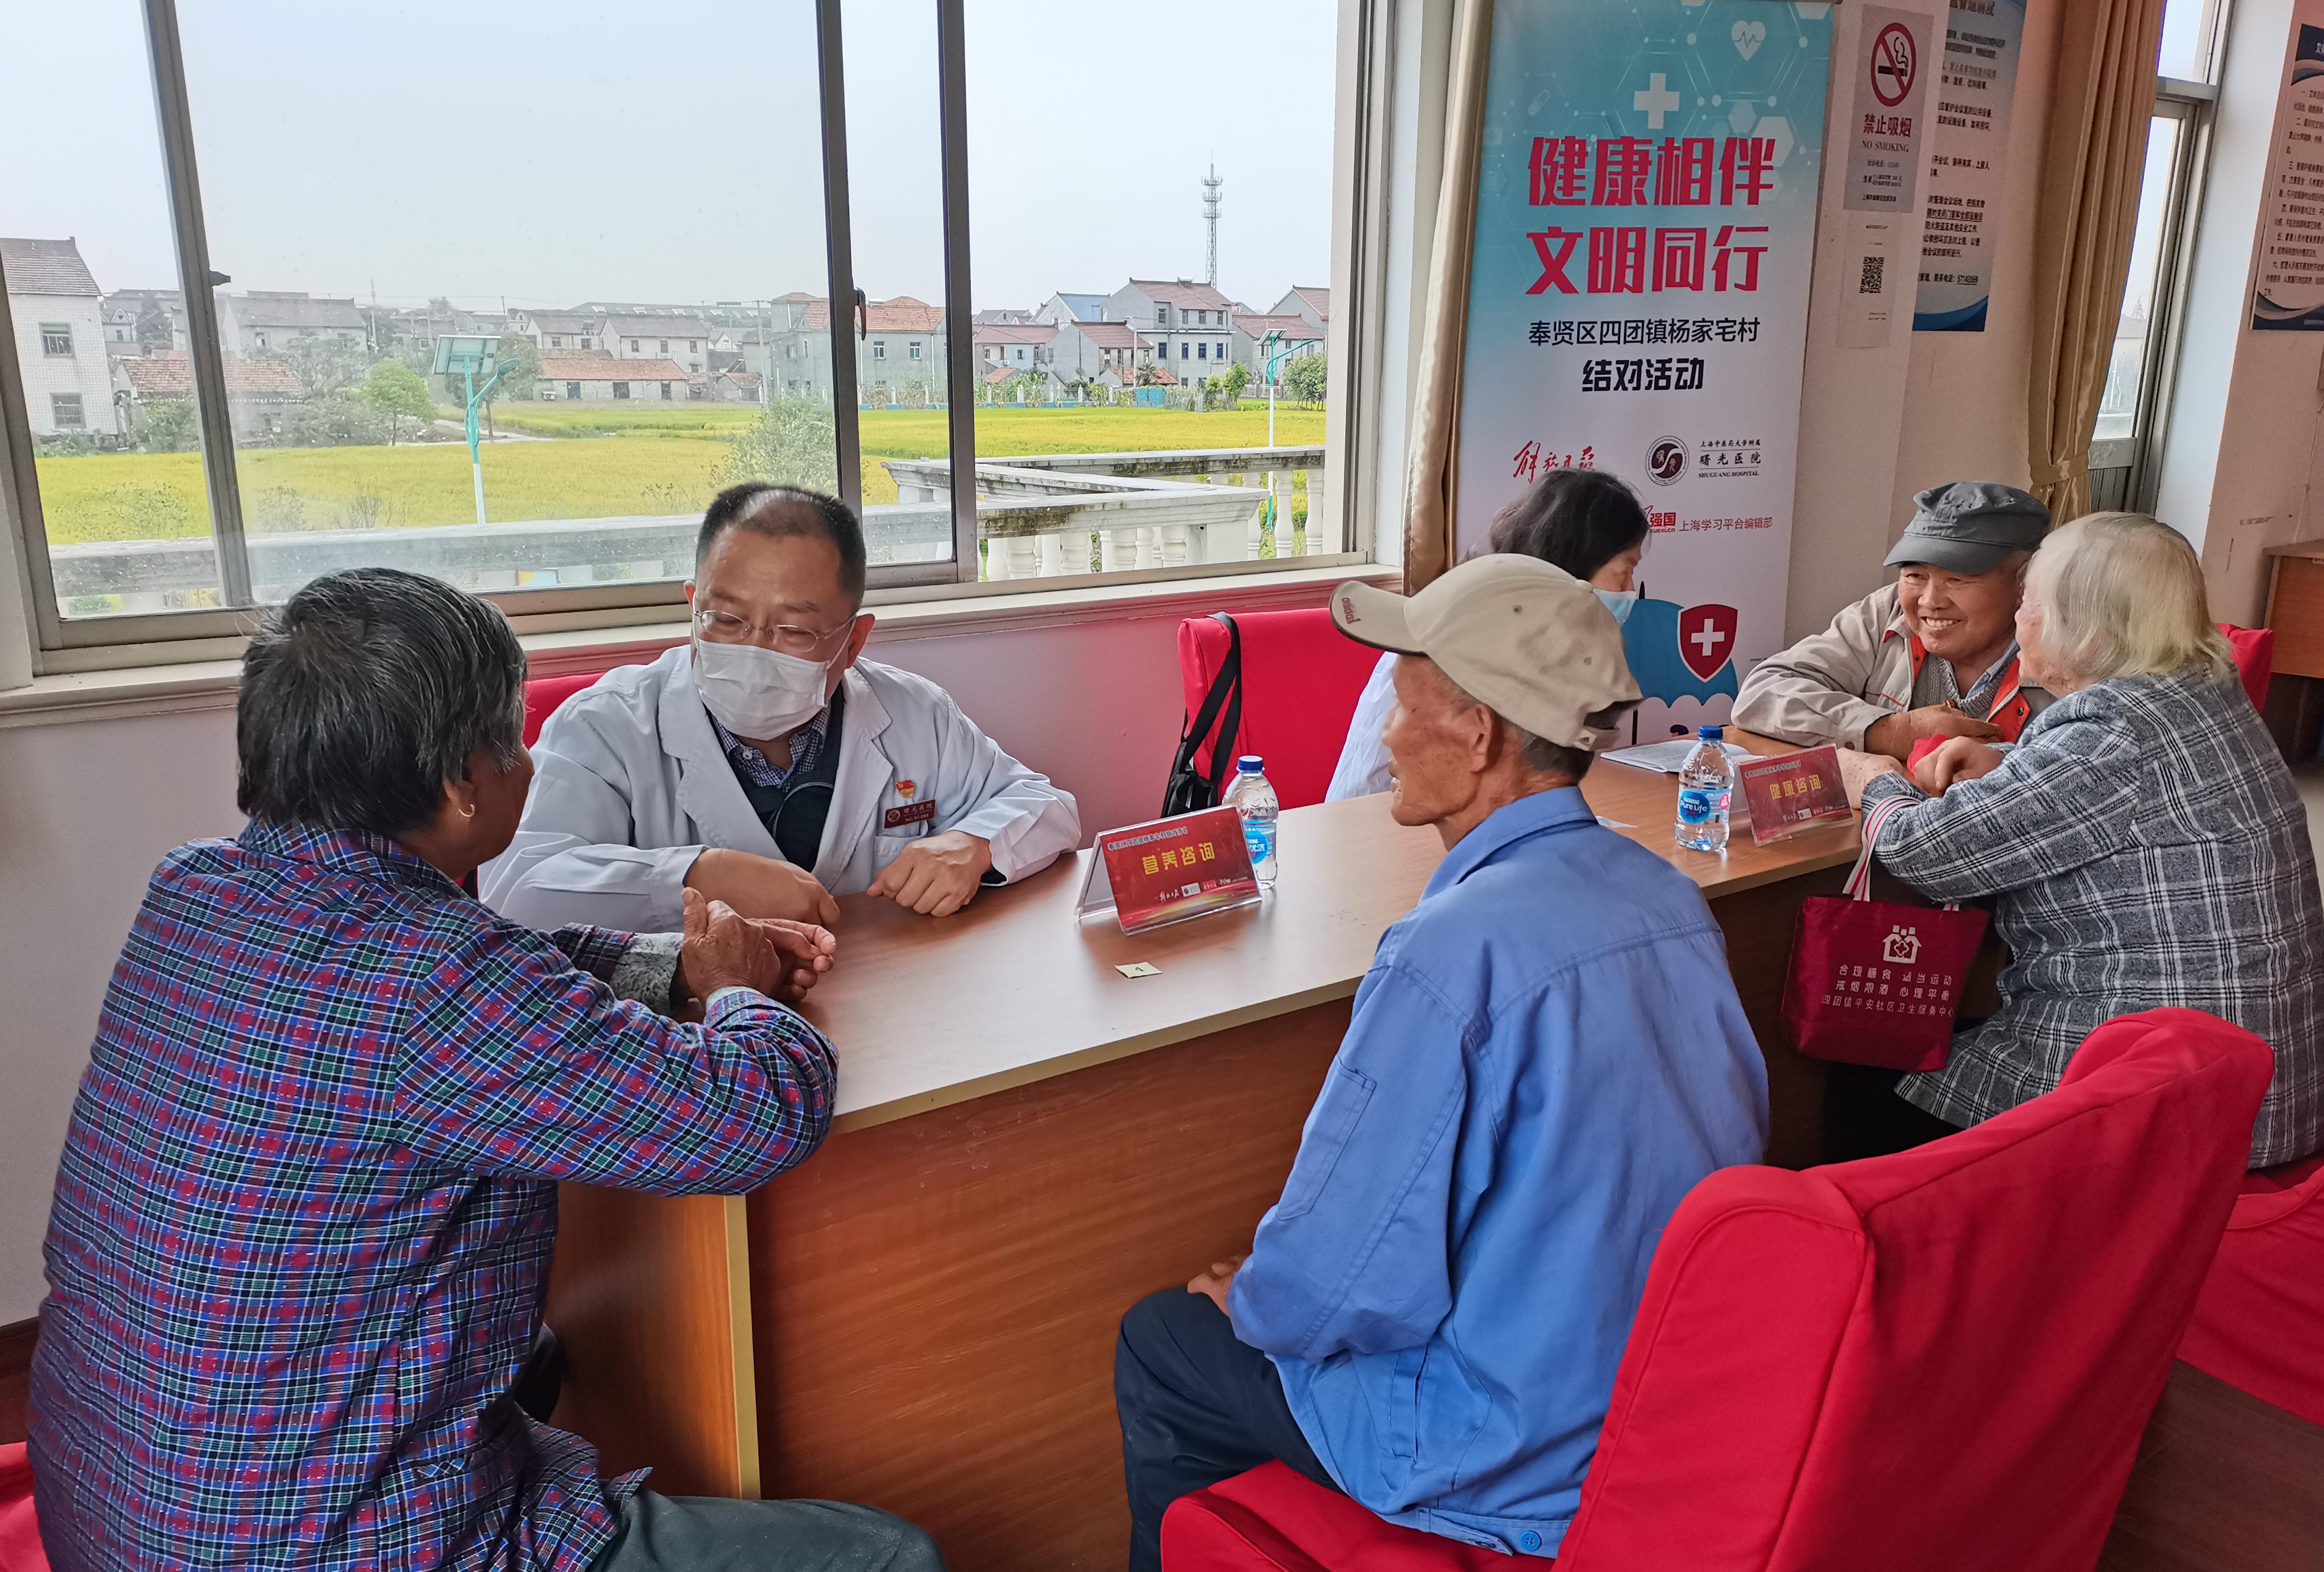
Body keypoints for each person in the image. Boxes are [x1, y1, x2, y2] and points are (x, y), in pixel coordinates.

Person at [29, 569, 946, 1572]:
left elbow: (493, 973)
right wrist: (736, 993)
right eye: (513, 740)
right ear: (462, 784)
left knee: (548, 1354)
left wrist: (674, 969)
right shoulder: (436, 976)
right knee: (890, 1557)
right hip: (317, 1545)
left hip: (121, 1507)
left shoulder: (195, 887)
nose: (528, 761)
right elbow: (757, 1115)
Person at [1114, 556, 1770, 1567]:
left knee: (1164, 1339)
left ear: (1480, 735)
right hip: (1662, 1405)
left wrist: (1258, 1301)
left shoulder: (1450, 950)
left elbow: (1355, 1273)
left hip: (1507, 1447)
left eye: (1403, 704)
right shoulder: (1667, 897)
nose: (1385, 734)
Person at [1831, 513, 2324, 1166]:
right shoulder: (2200, 691)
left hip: (2171, 1113)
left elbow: (1925, 852)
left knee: (1860, 1079)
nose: (2018, 620)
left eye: (2028, 603)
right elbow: (2127, 787)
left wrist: (1872, 777)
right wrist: (2008, 762)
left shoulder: (2110, 731)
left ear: (2084, 628)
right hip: (2264, 1087)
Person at [483, 483, 1079, 931]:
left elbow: (1046, 805)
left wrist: (975, 845)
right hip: (691, 1032)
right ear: (692, 604)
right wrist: (692, 877)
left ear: (854, 641)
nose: (753, 649)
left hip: (886, 1000)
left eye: (793, 630)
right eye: (725, 619)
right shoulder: (604, 726)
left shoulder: (912, 711)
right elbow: (517, 891)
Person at [1326, 468, 1650, 800]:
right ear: (1576, 564)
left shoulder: (1562, 652)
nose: (1629, 589)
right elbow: (1356, 791)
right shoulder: (1439, 639)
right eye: (1625, 570)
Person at [1736, 481, 2054, 759]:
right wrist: (1894, 731)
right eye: (1915, 575)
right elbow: (1761, 693)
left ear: (2026, 583)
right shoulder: (1889, 612)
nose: (1930, 601)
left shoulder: (2066, 647)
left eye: (1958, 579)